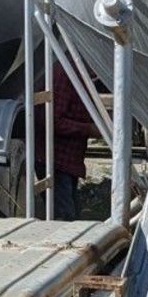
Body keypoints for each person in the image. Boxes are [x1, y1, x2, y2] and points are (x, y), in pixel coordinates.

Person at [42, 62, 92, 220]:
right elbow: (51, 120)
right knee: (65, 218)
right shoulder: (66, 75)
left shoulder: (74, 72)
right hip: (55, 159)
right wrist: (89, 129)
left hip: (68, 159)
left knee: (71, 215)